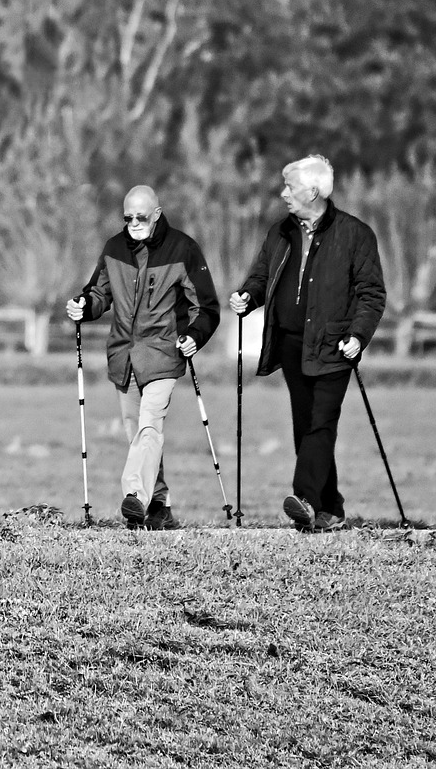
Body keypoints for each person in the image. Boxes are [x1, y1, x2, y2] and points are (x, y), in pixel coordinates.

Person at [228, 155, 386, 532]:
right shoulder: (280, 232)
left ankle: (305, 499)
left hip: (335, 346)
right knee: (305, 425)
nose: (283, 194)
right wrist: (248, 297)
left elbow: (372, 294)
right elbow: (263, 275)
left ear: (313, 191)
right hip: (290, 345)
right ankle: (331, 508)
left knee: (320, 424)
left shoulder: (355, 234)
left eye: (290, 187)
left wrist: (358, 335)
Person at [66, 185, 220, 530]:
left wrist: (195, 337)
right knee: (136, 434)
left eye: (141, 216)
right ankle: (160, 506)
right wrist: (82, 307)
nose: (134, 223)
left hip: (164, 353)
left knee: (151, 426)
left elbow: (207, 307)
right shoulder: (114, 248)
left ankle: (135, 495)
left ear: (158, 213)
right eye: (128, 217)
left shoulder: (184, 249)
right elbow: (98, 294)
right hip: (123, 356)